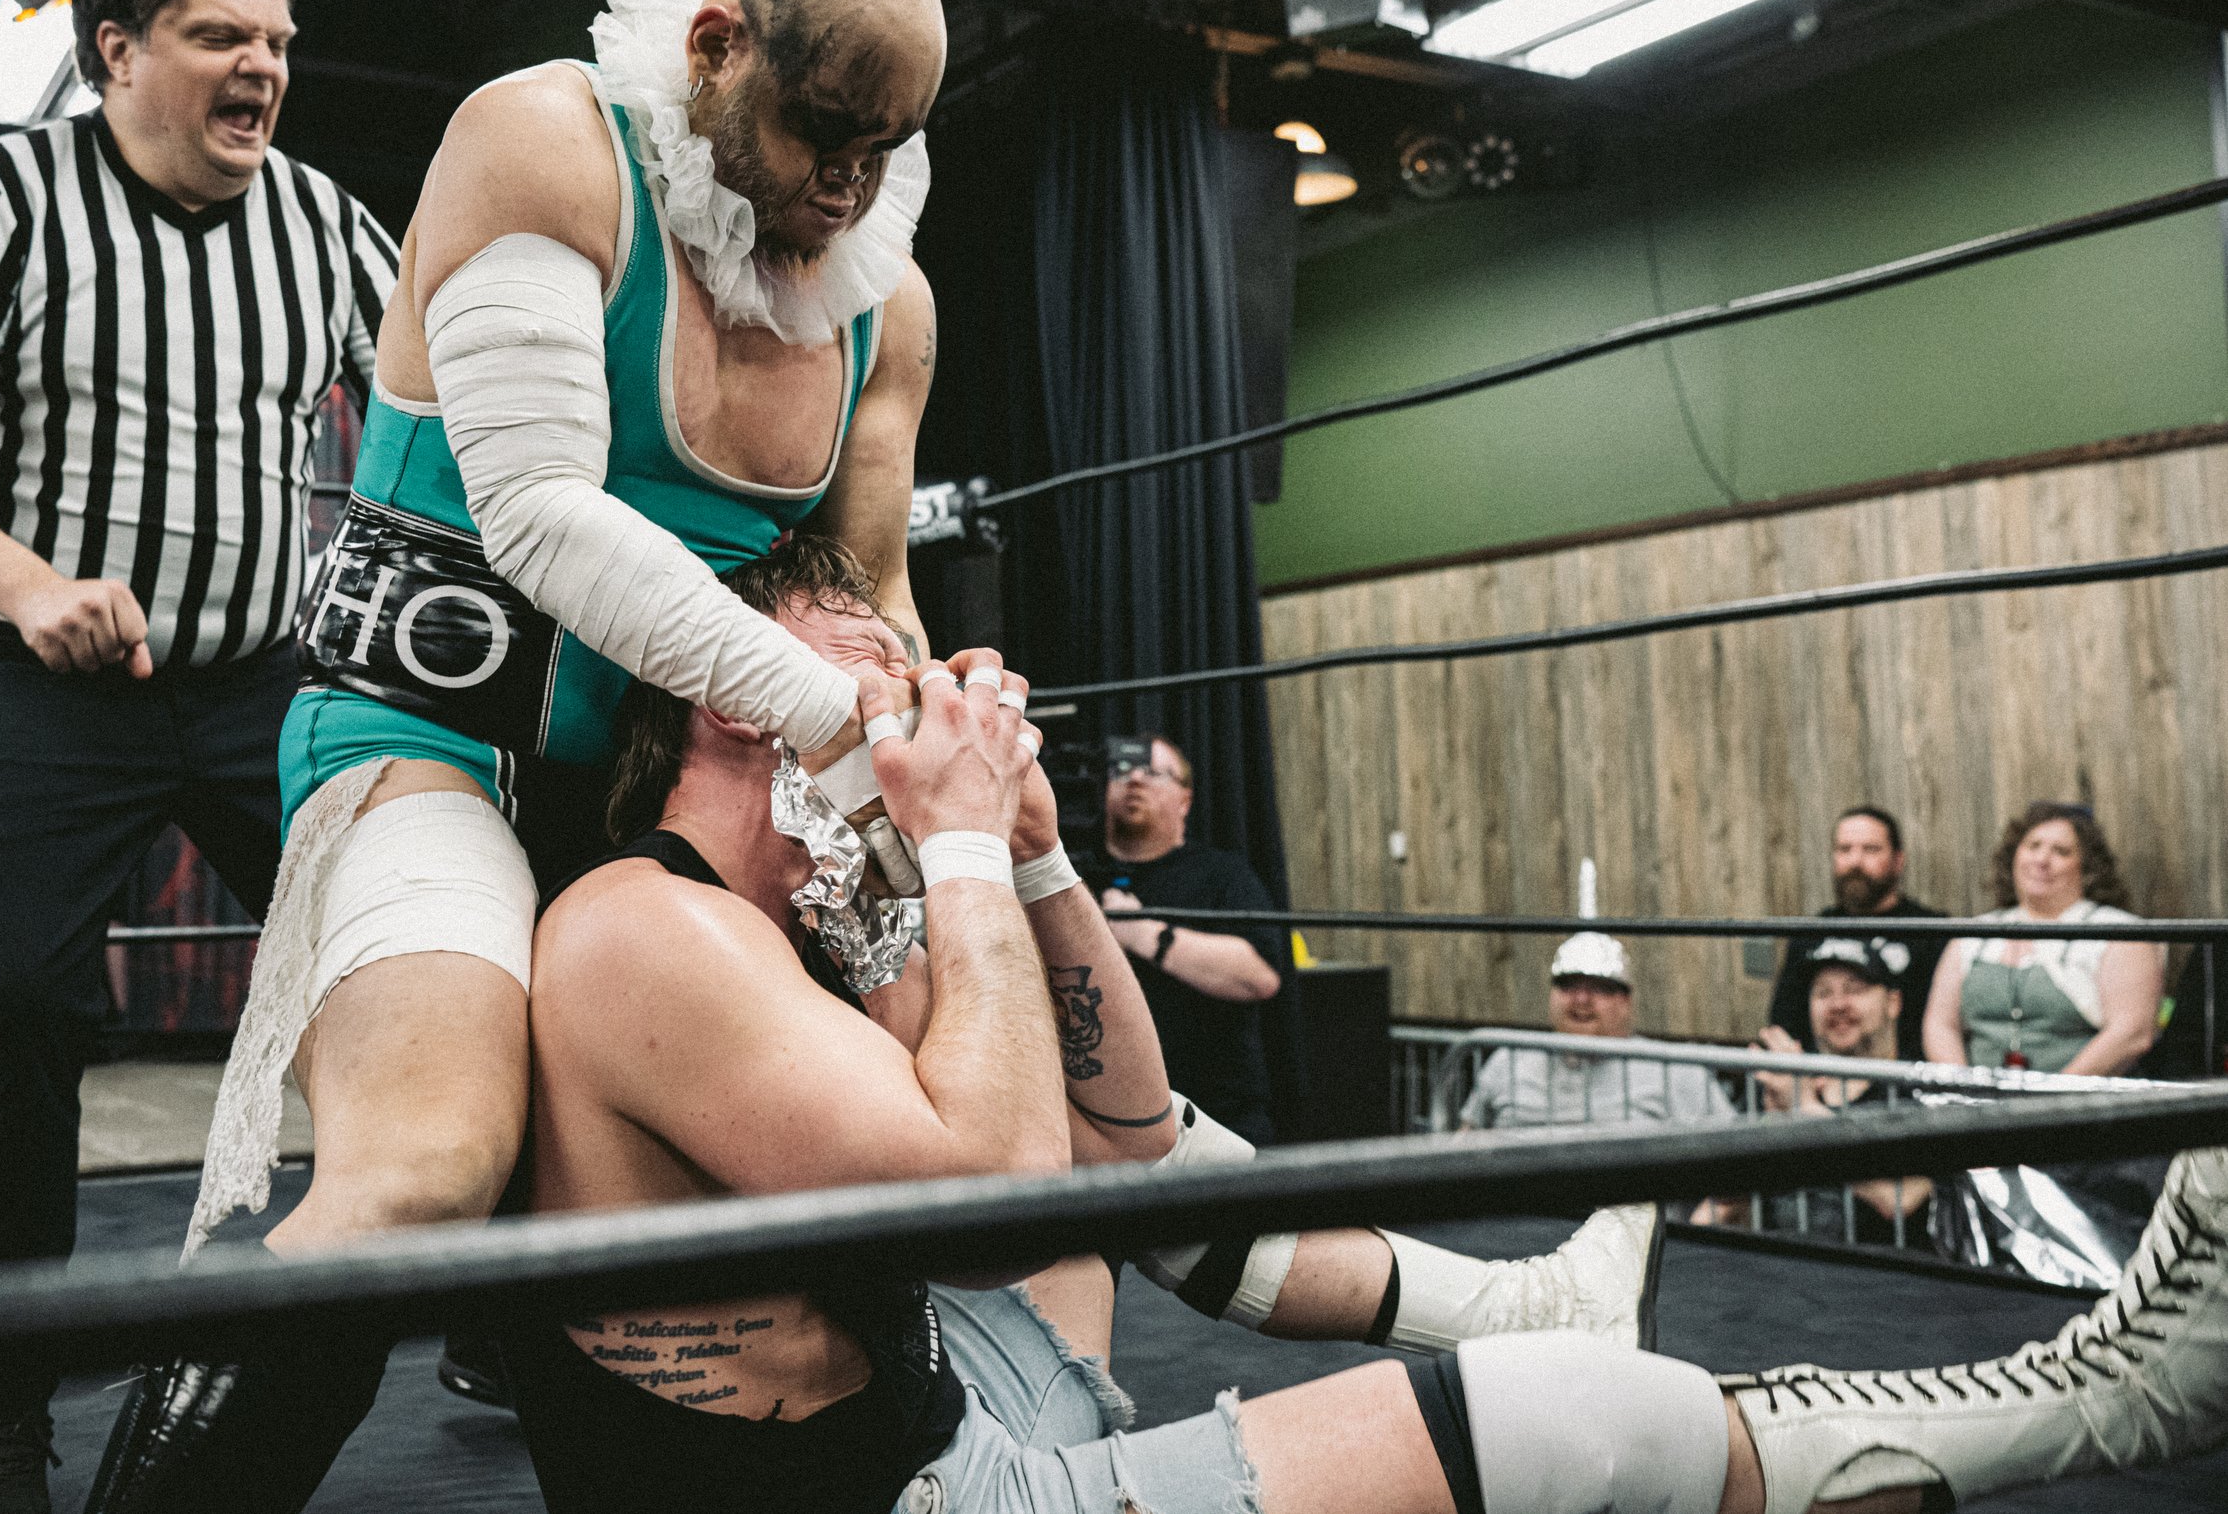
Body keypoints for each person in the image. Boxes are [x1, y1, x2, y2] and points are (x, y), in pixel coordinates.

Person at [505, 539, 2228, 1514]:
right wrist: (953, 838)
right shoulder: (645, 928)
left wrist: (1028, 857)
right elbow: (1008, 1191)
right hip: (920, 1499)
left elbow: (1122, 1132)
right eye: (870, 664)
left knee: (1137, 1172)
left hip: (950, 1392)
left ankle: (1522, 1298)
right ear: (741, 699)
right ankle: (2107, 1404)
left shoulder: (809, 916)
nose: (911, 697)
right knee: (1576, 1417)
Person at [88, 0, 951, 1510]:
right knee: (423, 1170)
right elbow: (542, 515)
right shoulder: (546, 143)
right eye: (824, 132)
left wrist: (940, 779)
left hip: (667, 812)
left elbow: (872, 588)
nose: (847, 185)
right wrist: (839, 732)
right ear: (717, 48)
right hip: (429, 744)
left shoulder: (880, 301)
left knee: (902, 1110)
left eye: (884, 149)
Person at [0, 0, 394, 1514]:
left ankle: (499, 1304)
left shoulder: (324, 225)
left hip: (259, 682)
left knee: (425, 967)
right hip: (34, 678)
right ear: (119, 51)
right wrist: (27, 585)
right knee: (17, 1009)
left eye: (277, 41)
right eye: (222, 37)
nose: (261, 67)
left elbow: (454, 409)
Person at [1093, 734, 1284, 1142]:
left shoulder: (1222, 875)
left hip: (1215, 1120)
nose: (1135, 779)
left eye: (1153, 772)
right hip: (1102, 1126)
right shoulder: (1073, 877)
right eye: (1122, 769)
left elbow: (1260, 976)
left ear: (1184, 800)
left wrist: (1144, 933)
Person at [1460, 877, 1737, 1129]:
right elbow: (1463, 1144)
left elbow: (1731, 1154)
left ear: (1625, 1001)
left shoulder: (1675, 1071)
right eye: (1568, 985)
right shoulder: (1508, 1062)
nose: (1581, 999)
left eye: (1599, 988)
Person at [1923, 801, 2163, 1076]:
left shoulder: (2119, 932)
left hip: (2082, 1097)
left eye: (2061, 851)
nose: (2042, 860)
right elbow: (1940, 1025)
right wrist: (1963, 1087)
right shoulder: (1974, 934)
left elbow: (2131, 1033)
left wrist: (2056, 1095)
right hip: (1975, 1098)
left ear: (2088, 867)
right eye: (2033, 846)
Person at [1711, 950, 1934, 1247]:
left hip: (1876, 1272)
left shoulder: (1917, 1090)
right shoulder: (1782, 1085)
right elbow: (1721, 1203)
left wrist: (1804, 1112)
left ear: (1893, 1002)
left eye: (1854, 990)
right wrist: (1769, 1128)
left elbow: (1900, 1197)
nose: (1838, 1005)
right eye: (1823, 993)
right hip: (1778, 1267)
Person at [1765, 806, 1947, 1061]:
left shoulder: (1932, 932)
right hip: (1819, 1075)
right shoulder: (1810, 934)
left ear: (1898, 860)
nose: (1855, 862)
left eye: (1870, 849)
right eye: (1844, 850)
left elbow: (1940, 1029)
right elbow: (1785, 1024)